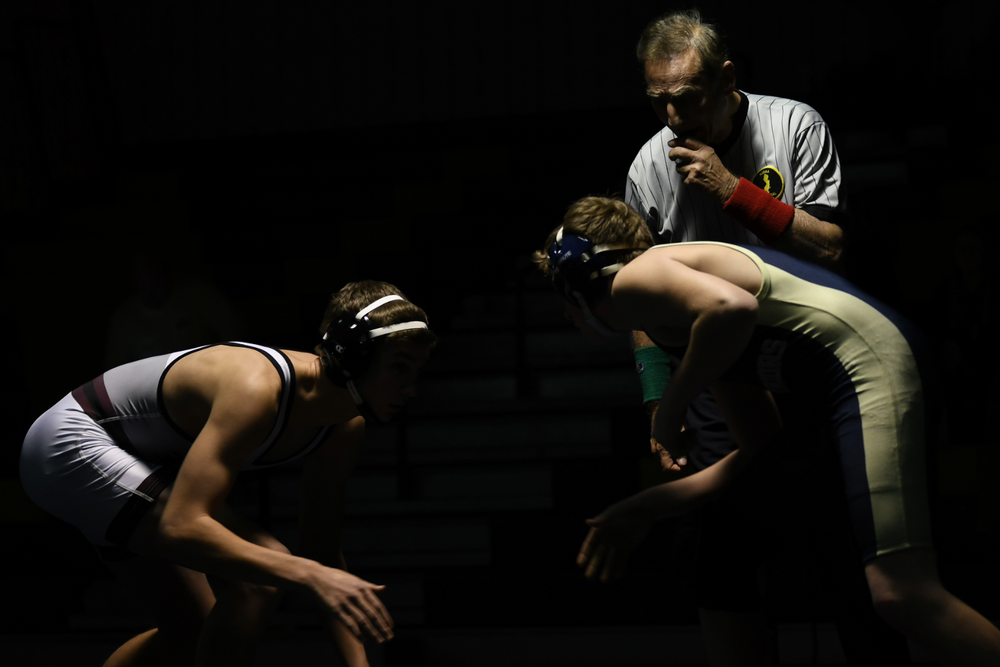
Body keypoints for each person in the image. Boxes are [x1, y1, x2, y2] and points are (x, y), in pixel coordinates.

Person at [535, 196, 1000, 667]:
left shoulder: (637, 276)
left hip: (868, 366)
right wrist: (650, 505)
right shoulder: (676, 326)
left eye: (560, 291)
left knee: (902, 594)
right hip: (863, 373)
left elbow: (730, 307)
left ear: (579, 275)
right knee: (880, 593)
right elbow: (763, 449)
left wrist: (668, 407)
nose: (566, 313)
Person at [621, 10, 908, 665]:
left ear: (725, 80)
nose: (672, 118)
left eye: (687, 99)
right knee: (713, 558)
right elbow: (638, 297)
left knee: (848, 564)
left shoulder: (794, 125)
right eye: (658, 101)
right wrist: (657, 399)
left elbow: (832, 248)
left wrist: (731, 188)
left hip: (814, 369)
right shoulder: (647, 167)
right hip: (720, 385)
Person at [20, 280, 436, 667]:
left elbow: (322, 550)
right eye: (399, 368)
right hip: (71, 442)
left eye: (417, 372)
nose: (412, 389)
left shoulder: (346, 427)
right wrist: (311, 576)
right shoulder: (257, 388)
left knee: (194, 630)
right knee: (257, 582)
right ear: (352, 354)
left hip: (135, 461)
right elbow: (181, 526)